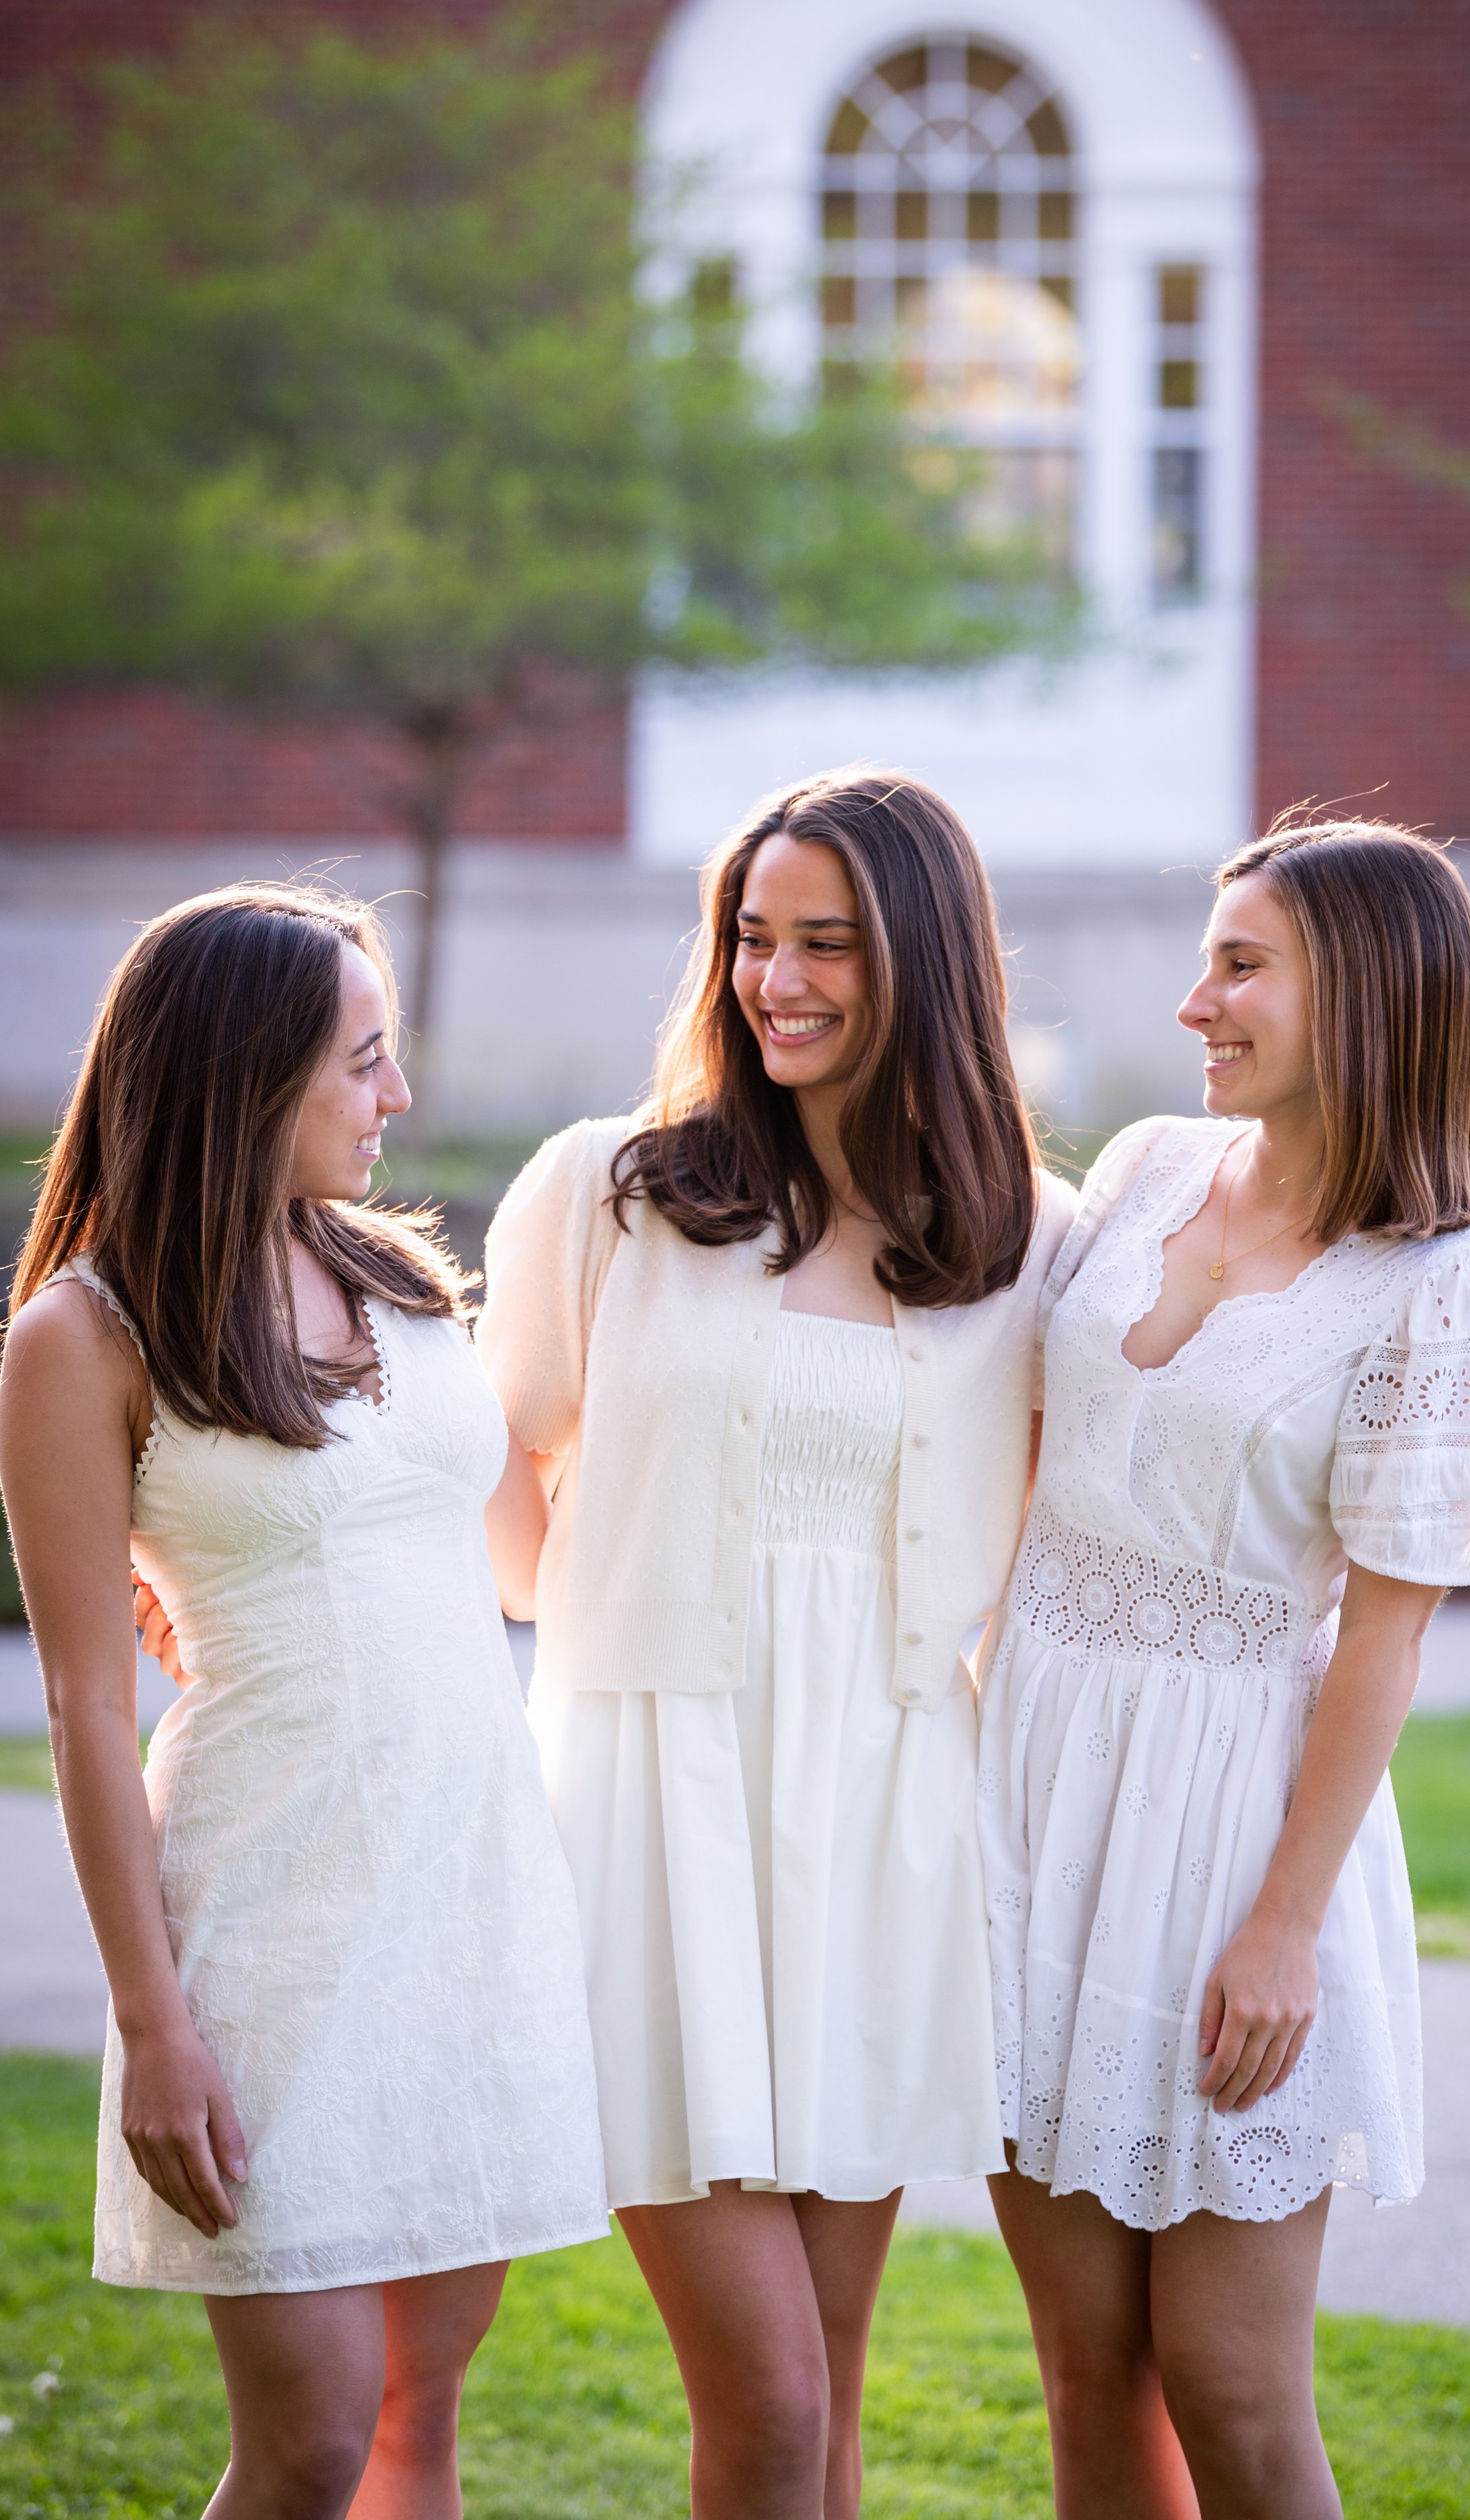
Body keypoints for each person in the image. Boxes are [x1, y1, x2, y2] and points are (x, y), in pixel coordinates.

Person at [475, 769, 1075, 2520]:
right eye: (751, 934)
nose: (777, 977)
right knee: (769, 2391)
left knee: (826, 2402)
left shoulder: (1028, 1237)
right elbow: (487, 1479)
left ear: (930, 968)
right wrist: (594, 1621)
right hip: (658, 1812)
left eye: (827, 941)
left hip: (886, 1822)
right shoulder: (606, 1192)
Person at [0, 885, 606, 2520]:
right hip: (272, 1920)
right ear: (242, 1072)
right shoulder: (83, 1334)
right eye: (363, 1061)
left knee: (422, 2413)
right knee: (313, 2433)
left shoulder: (402, 1280)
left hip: (470, 1897)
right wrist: (152, 2024)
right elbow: (79, 1701)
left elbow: (507, 1548)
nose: (395, 1098)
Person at [977, 820, 1470, 2519]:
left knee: (1229, 2389)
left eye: (1239, 966)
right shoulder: (1150, 1167)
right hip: (1036, 1788)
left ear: (1364, 994)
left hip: (1235, 1825)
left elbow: (1382, 1635)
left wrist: (1283, 1925)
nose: (1192, 1002)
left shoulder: (1441, 1294)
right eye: (1204, 958)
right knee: (1085, 2368)